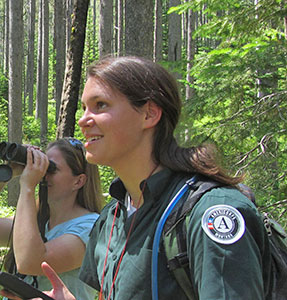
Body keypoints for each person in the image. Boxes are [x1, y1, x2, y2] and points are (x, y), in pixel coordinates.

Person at [14, 56, 272, 300]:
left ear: (149, 114)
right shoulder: (112, 217)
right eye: (83, 108)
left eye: (100, 105)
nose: (83, 120)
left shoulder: (209, 212)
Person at [0, 137, 105, 300]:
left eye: (51, 169)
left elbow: (29, 262)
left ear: (78, 181)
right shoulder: (39, 222)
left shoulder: (90, 227)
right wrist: (6, 173)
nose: (43, 174)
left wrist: (27, 187)